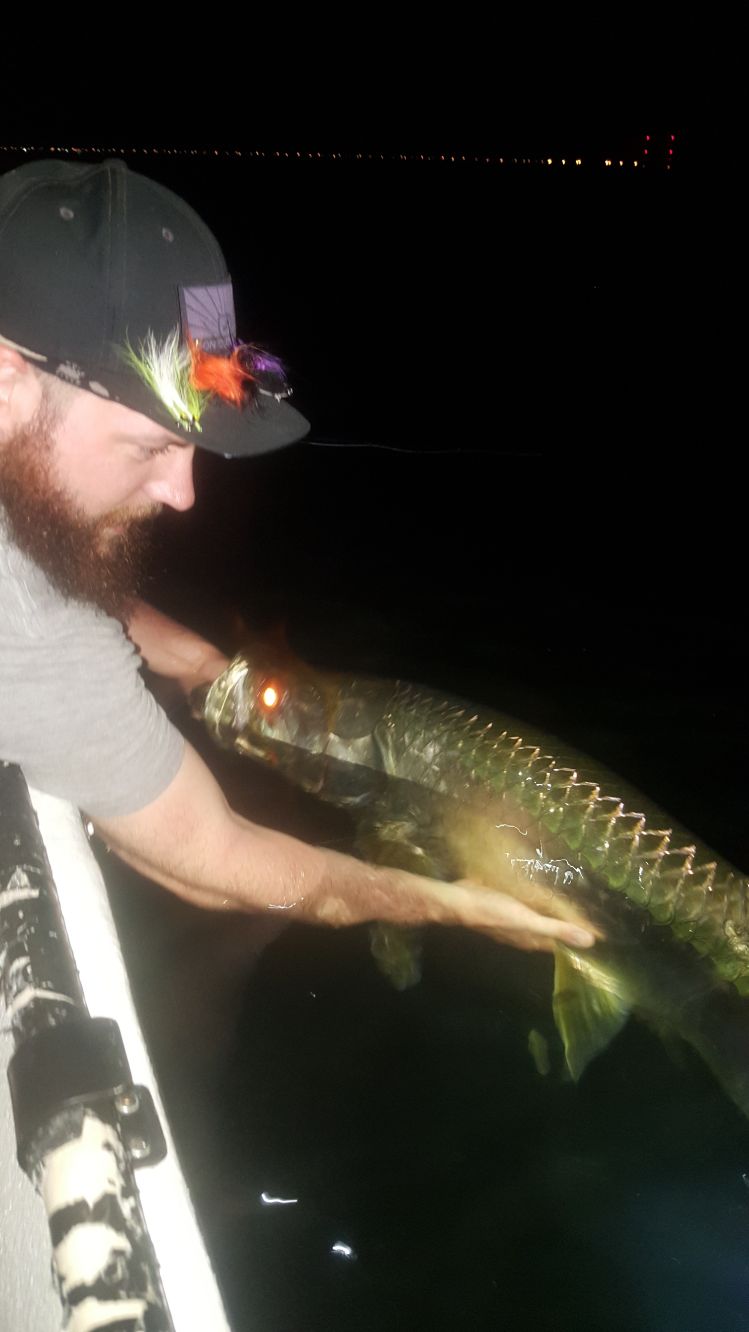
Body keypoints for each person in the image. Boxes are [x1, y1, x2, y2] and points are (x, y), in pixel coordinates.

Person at [0, 157, 595, 955]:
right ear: (9, 381)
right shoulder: (23, 624)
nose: (183, 492)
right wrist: (457, 905)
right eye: (152, 446)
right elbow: (213, 861)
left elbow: (56, 566)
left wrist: (203, 664)